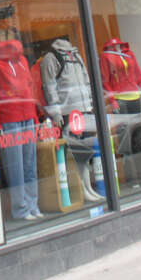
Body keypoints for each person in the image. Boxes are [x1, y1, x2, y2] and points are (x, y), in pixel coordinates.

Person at [0, 39, 42, 221]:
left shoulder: (22, 60)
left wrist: (35, 117)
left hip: (27, 116)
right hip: (9, 119)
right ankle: (21, 209)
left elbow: (30, 88)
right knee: (16, 167)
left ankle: (32, 205)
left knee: (30, 165)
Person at [40, 38, 103, 202]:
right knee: (74, 152)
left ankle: (87, 187)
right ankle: (80, 189)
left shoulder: (75, 55)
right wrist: (56, 112)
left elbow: (86, 80)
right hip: (68, 112)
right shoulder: (51, 58)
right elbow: (49, 86)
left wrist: (90, 103)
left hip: (83, 110)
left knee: (84, 151)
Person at [100, 38, 141, 186]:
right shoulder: (106, 56)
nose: (116, 47)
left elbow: (139, 75)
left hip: (135, 99)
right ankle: (131, 179)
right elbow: (105, 81)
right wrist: (113, 101)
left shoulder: (129, 54)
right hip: (120, 101)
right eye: (114, 45)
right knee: (125, 140)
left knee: (138, 138)